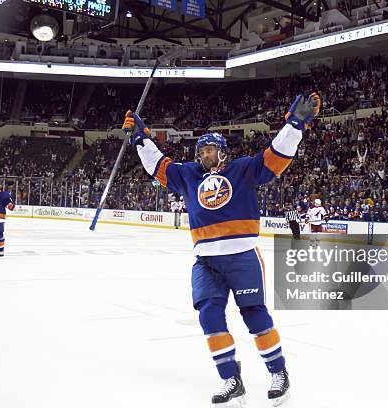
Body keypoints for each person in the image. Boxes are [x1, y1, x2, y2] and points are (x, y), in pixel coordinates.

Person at [124, 92, 320, 407]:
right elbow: (158, 165)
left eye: (210, 149)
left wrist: (295, 125)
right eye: (200, 150)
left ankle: (279, 373)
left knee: (254, 315)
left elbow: (274, 157)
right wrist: (140, 139)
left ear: (223, 153)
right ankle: (230, 377)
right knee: (209, 317)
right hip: (206, 262)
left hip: (242, 255)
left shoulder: (242, 169)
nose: (204, 154)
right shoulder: (188, 175)